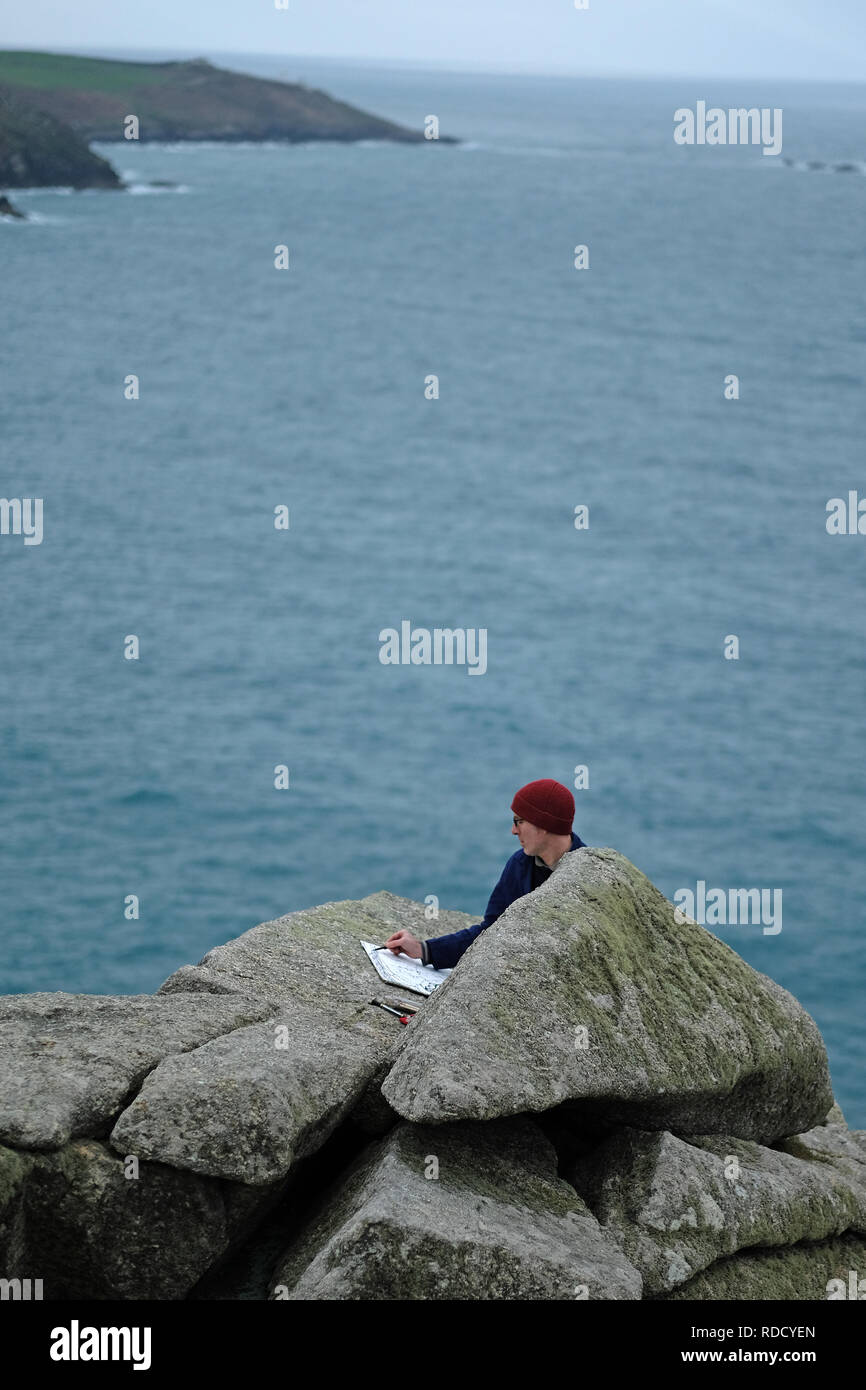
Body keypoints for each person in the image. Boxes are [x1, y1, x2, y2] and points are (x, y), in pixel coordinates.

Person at [383, 779, 586, 970]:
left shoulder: (589, 875)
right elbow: (490, 932)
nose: (513, 831)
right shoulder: (520, 864)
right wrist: (425, 950)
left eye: (519, 821)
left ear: (542, 825)